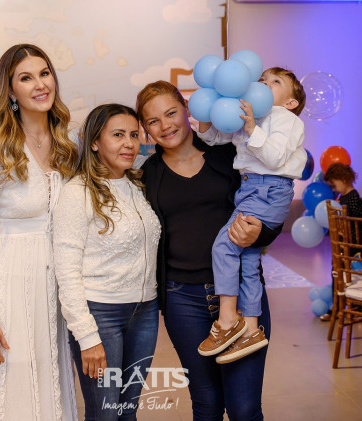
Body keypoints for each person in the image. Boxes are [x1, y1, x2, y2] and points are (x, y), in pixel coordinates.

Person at [137, 80, 282, 421]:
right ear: (145, 128)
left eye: (171, 113)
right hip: (182, 300)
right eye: (153, 121)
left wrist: (261, 233)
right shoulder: (147, 176)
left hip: (242, 295)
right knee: (206, 404)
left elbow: (269, 206)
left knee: (244, 408)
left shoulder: (229, 156)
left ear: (187, 110)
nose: (165, 125)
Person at [0, 44, 79, 420]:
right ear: (10, 91)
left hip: (54, 288)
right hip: (8, 286)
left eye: (44, 73)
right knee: (10, 386)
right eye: (26, 78)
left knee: (50, 380)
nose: (40, 84)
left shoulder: (66, 145)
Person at [53, 104, 161, 420]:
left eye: (134, 135)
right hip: (101, 314)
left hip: (145, 312)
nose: (129, 144)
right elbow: (67, 271)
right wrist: (87, 337)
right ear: (94, 142)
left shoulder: (137, 185)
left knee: (128, 411)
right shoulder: (77, 192)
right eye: (118, 135)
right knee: (105, 414)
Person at [195, 67, 306, 363]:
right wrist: (206, 112)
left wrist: (252, 128)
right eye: (263, 80)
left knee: (224, 246)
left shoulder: (286, 119)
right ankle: (252, 329)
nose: (265, 84)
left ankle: (227, 321)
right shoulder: (251, 115)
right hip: (251, 188)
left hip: (269, 188)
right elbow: (215, 138)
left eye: (275, 82)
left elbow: (275, 157)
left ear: (290, 102)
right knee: (247, 258)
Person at [320, 162, 362, 321]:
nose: (334, 189)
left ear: (344, 179)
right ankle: (338, 306)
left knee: (353, 276)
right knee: (337, 275)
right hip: (343, 244)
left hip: (352, 244)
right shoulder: (343, 197)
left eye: (334, 185)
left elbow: (361, 221)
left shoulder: (353, 197)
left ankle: (353, 307)